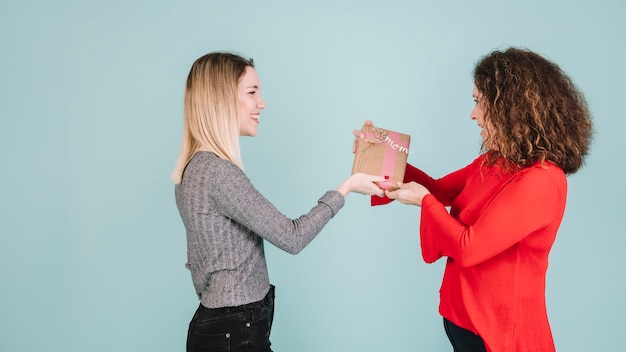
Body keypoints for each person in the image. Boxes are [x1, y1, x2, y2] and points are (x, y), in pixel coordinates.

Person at [357, 47, 593, 351]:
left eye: (479, 102)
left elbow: (470, 247)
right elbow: (438, 189)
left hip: (499, 334)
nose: (473, 114)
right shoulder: (495, 161)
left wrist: (424, 202)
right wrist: (380, 153)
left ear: (510, 109)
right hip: (462, 319)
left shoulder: (543, 180)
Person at [171, 51, 385, 352]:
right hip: (235, 329)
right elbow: (292, 237)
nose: (262, 103)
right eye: (252, 92)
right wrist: (346, 188)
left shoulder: (193, 168)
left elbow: (199, 261)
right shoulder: (218, 172)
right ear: (220, 99)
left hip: (224, 326)